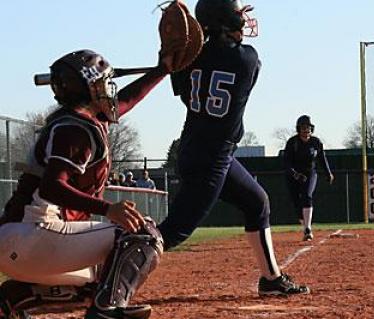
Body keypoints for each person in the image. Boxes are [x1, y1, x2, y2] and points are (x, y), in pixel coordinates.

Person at [0, 49, 169, 319]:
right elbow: (51, 187)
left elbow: (125, 101)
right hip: (35, 235)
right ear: (89, 88)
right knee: (144, 234)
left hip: (20, 243)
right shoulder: (74, 129)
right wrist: (107, 209)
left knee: (104, 280)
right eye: (102, 84)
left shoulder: (77, 121)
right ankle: (106, 312)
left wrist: (163, 70)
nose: (108, 91)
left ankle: (14, 296)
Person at [157, 0, 309, 296]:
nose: (243, 23)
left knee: (257, 202)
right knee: (173, 232)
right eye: (237, 17)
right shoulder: (247, 59)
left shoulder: (190, 59)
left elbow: (183, 93)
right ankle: (101, 272)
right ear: (224, 24)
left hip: (199, 149)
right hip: (210, 158)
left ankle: (271, 278)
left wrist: (180, 53)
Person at [284, 115, 334, 241]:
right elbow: (286, 162)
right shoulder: (292, 142)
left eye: (308, 128)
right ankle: (305, 226)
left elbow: (322, 158)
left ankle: (307, 229)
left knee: (307, 195)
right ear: (298, 129)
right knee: (296, 203)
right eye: (303, 128)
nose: (306, 131)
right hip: (293, 175)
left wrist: (328, 173)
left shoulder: (316, 142)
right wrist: (295, 174)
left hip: (310, 173)